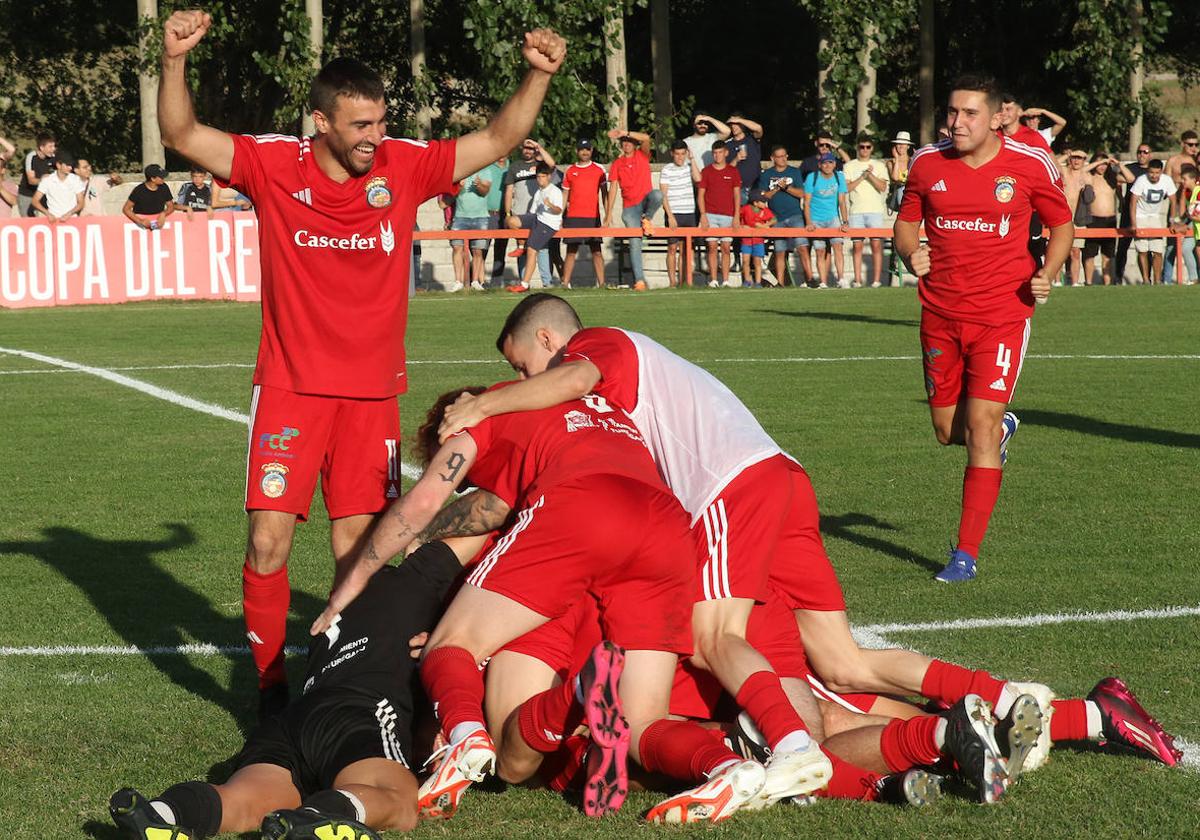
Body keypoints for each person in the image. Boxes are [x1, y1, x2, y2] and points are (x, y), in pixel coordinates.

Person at [437, 295, 1079, 808]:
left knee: (715, 641)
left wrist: (484, 404)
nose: (526, 381)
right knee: (842, 663)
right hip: (780, 479)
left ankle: (791, 748)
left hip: (727, 489)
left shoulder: (592, 346)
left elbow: (575, 379)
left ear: (549, 341)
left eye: (522, 367)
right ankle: (1009, 698)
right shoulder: (618, 396)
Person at [155, 8, 567, 720]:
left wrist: (537, 73)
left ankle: (342, 678)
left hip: (370, 398)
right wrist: (174, 60)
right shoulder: (272, 166)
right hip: (288, 389)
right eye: (360, 126)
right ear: (320, 122)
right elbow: (181, 134)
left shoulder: (405, 166)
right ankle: (270, 688)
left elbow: (503, 136)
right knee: (265, 543)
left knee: (360, 551)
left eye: (380, 122)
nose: (376, 138)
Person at [311, 386, 778, 825]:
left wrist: (353, 581)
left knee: (470, 684)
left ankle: (469, 738)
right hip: (664, 530)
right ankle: (725, 765)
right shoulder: (594, 410)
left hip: (575, 527)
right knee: (643, 721)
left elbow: (440, 502)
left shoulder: (485, 415)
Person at [108, 539, 475, 840]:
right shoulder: (421, 582)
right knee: (398, 799)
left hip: (293, 722)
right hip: (359, 714)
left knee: (242, 801)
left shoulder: (339, 605)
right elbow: (483, 526)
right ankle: (320, 818)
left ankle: (162, 812)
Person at [893, 74, 1073, 583]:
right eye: (952, 112)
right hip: (939, 314)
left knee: (981, 429)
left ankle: (965, 555)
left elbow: (1062, 226)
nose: (957, 122)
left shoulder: (1029, 163)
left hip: (1002, 315)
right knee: (946, 431)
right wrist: (912, 252)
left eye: (970, 113)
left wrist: (1048, 274)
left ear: (997, 117)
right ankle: (1001, 430)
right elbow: (906, 222)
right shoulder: (928, 163)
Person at [603, 129, 662, 288]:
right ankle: (640, 281)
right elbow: (613, 189)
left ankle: (647, 218)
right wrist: (608, 215)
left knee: (657, 195)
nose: (627, 144)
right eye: (624, 141)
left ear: (634, 144)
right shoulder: (617, 163)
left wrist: (626, 132)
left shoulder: (642, 155)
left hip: (645, 202)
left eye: (630, 141)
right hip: (630, 209)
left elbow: (646, 138)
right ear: (622, 145)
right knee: (635, 243)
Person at [502, 138, 557, 287]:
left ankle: (547, 283)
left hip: (540, 215)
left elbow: (552, 164)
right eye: (525, 148)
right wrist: (508, 213)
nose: (528, 150)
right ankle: (524, 282)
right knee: (523, 250)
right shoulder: (514, 167)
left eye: (530, 149)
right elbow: (509, 191)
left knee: (542, 248)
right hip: (520, 213)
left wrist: (538, 146)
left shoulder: (540, 166)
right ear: (521, 149)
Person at [757, 144, 808, 286]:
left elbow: (801, 193)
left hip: (795, 215)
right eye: (779, 157)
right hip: (776, 217)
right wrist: (776, 188)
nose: (783, 159)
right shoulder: (766, 174)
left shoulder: (794, 172)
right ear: (772, 158)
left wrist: (786, 187)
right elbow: (763, 196)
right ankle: (780, 283)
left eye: (785, 156)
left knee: (802, 246)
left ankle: (809, 279)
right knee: (780, 250)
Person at [843, 133, 890, 287]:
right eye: (861, 147)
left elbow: (883, 188)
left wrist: (870, 176)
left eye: (867, 147)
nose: (864, 150)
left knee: (876, 246)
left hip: (874, 210)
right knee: (857, 247)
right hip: (856, 211)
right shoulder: (849, 166)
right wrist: (862, 177)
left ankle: (876, 281)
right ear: (857, 148)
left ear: (872, 149)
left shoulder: (879, 165)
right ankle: (857, 280)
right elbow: (847, 188)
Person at [560, 139, 607, 289]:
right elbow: (564, 195)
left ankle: (602, 284)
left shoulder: (599, 170)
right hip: (573, 217)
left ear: (591, 150)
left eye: (587, 149)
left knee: (597, 251)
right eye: (582, 149)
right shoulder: (570, 171)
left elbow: (605, 195)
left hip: (593, 217)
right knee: (571, 251)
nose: (585, 152)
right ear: (577, 151)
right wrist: (560, 216)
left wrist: (608, 216)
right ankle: (565, 283)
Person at [450, 161, 500, 291]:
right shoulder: (459, 172)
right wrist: (459, 186)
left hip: (480, 217)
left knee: (478, 251)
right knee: (457, 248)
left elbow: (485, 191)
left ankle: (475, 281)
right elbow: (451, 194)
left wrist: (479, 185)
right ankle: (458, 281)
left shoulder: (485, 170)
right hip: (460, 216)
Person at [697, 141, 741, 287]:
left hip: (728, 215)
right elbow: (701, 194)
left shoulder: (732, 171)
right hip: (710, 214)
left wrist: (736, 217)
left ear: (726, 153)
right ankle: (714, 279)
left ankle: (726, 280)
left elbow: (736, 195)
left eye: (720, 152)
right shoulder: (706, 171)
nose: (717, 155)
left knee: (726, 247)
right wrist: (703, 215)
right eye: (715, 153)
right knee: (712, 246)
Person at [659, 140, 702, 287]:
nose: (680, 157)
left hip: (689, 213)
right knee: (672, 248)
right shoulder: (666, 170)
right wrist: (670, 216)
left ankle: (684, 281)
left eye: (683, 154)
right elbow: (663, 195)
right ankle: (672, 282)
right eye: (677, 154)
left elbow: (698, 179)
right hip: (674, 213)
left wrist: (692, 159)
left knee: (686, 249)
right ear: (672, 154)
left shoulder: (690, 167)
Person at [803, 152, 849, 288]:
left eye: (830, 162)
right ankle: (823, 282)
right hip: (816, 219)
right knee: (820, 250)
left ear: (834, 164)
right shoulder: (812, 177)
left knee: (838, 247)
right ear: (819, 165)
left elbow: (842, 201)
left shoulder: (839, 177)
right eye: (824, 163)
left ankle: (841, 279)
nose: (827, 165)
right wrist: (809, 222)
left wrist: (845, 222)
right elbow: (806, 202)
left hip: (833, 217)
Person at [516, 163, 563, 291]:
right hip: (537, 220)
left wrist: (550, 205)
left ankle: (525, 284)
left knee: (533, 250)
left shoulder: (555, 191)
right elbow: (532, 212)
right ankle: (521, 246)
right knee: (512, 221)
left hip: (548, 224)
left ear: (548, 177)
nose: (539, 179)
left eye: (542, 176)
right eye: (538, 177)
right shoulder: (539, 192)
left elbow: (559, 210)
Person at [1130, 158, 1176, 284]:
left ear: (1161, 171)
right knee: (1142, 250)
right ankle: (1145, 279)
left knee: (1157, 250)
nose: (1154, 176)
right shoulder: (1141, 180)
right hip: (1140, 216)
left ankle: (1157, 280)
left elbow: (1173, 200)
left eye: (1157, 173)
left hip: (1155, 216)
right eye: (1151, 172)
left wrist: (1172, 221)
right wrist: (1134, 224)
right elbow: (1133, 202)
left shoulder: (1167, 181)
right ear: (1148, 171)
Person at [1081, 154, 1121, 285]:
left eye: (1104, 164)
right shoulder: (1090, 178)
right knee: (1090, 253)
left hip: (1110, 220)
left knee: (1108, 254)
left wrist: (1118, 164)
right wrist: (1101, 160)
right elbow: (1082, 170)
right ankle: (1088, 282)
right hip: (1094, 220)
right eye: (1099, 164)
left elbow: (1130, 178)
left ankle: (1107, 283)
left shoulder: (1112, 178)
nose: (1102, 167)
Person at [1115, 144, 1151, 282]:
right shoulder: (1130, 167)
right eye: (1139, 152)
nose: (1142, 154)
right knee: (1123, 246)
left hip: (1145, 212)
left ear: (1150, 155)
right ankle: (1118, 277)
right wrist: (1120, 199)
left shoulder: (1152, 169)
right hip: (1128, 211)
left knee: (1146, 247)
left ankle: (1148, 278)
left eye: (1145, 152)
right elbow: (1118, 179)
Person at [1059, 149, 1092, 286]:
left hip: (1078, 219)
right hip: (1062, 217)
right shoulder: (1065, 172)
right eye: (1074, 158)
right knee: (1059, 250)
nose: (1076, 161)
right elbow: (1053, 162)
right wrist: (1066, 155)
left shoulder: (1086, 176)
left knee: (1076, 251)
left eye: (1080, 158)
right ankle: (1057, 281)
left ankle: (1075, 282)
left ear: (1084, 161)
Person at [886, 131, 915, 285]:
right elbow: (896, 178)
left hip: (910, 196)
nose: (901, 147)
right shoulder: (891, 162)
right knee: (900, 190)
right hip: (900, 197)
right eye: (898, 144)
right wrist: (897, 159)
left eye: (903, 144)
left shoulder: (913, 160)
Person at [31, 149, 85, 223]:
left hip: (72, 220)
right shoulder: (47, 180)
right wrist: (48, 214)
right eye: (67, 165)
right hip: (53, 221)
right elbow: (35, 201)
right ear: (58, 165)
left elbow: (81, 203)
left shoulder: (75, 179)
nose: (70, 168)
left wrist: (69, 214)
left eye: (71, 165)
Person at [737, 189, 775, 286]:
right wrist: (741, 226)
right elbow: (737, 217)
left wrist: (765, 225)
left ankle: (758, 282)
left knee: (757, 261)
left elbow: (774, 219)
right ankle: (747, 280)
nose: (764, 203)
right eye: (762, 202)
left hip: (758, 240)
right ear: (755, 202)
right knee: (745, 261)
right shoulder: (746, 208)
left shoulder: (765, 210)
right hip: (746, 240)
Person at [122, 164, 176, 230]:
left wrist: (163, 214)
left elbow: (171, 206)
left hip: (158, 224)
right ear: (153, 179)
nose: (163, 179)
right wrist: (139, 221)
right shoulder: (139, 190)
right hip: (141, 226)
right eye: (161, 177)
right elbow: (126, 209)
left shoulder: (164, 187)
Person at [724, 115, 763, 205]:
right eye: (731, 124)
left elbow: (759, 128)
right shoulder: (727, 145)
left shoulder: (752, 138)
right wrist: (736, 159)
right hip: (738, 189)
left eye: (737, 124)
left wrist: (739, 120)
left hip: (755, 187)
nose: (733, 126)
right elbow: (726, 170)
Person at [17, 133, 56, 217]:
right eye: (50, 147)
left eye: (54, 146)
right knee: (29, 222)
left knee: (54, 216)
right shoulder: (31, 157)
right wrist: (43, 180)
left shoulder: (53, 157)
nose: (53, 149)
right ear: (41, 147)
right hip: (27, 195)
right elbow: (31, 180)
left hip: (43, 194)